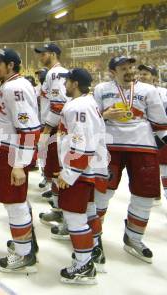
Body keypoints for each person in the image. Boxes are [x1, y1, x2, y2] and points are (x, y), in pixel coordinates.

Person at [93, 56, 167, 264]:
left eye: (131, 67)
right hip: (110, 146)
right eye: (123, 68)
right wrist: (105, 114)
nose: (129, 71)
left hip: (142, 146)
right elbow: (92, 116)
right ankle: (94, 237)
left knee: (144, 196)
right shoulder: (101, 89)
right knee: (102, 193)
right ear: (112, 72)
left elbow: (160, 123)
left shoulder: (148, 90)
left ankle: (134, 238)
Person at [0, 48, 40, 273]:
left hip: (13, 153)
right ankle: (27, 243)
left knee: (14, 202)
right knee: (17, 200)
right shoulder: (11, 84)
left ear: (10, 65)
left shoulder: (15, 87)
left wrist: (19, 164)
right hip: (8, 150)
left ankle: (23, 254)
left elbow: (28, 129)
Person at [57, 68, 108, 284]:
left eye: (67, 81)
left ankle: (84, 266)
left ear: (75, 83)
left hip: (80, 170)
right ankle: (93, 251)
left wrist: (69, 173)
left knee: (74, 217)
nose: (64, 85)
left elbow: (82, 143)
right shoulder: (87, 103)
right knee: (88, 212)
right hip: (88, 168)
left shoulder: (79, 106)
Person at [34, 43, 70, 239]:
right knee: (54, 172)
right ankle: (58, 209)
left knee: (59, 171)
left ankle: (66, 215)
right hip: (53, 125)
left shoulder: (56, 74)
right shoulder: (52, 73)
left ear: (54, 54)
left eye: (44, 53)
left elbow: (58, 104)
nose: (40, 56)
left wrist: (47, 130)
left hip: (56, 127)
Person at [137, 64, 167, 204]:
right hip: (144, 138)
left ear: (154, 77)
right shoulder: (134, 92)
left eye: (146, 74)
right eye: (141, 73)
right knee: (148, 170)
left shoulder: (164, 92)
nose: (142, 76)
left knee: (164, 170)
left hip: (161, 138)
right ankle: (155, 195)